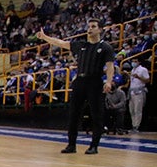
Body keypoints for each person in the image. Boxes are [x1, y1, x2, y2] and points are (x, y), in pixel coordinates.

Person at [37, 19, 116, 154]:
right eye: (88, 26)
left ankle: (94, 146)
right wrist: (45, 37)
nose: (89, 29)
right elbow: (61, 43)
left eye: (93, 26)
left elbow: (110, 66)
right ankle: (71, 145)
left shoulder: (106, 47)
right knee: (73, 114)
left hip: (95, 82)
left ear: (100, 29)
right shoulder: (81, 45)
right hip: (80, 81)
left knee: (96, 115)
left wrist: (108, 81)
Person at [128, 57, 149, 132]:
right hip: (132, 91)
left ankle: (137, 126)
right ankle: (133, 125)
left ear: (139, 62)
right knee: (132, 110)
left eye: (135, 61)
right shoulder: (132, 70)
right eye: (133, 61)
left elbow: (147, 80)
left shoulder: (143, 69)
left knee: (138, 110)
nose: (133, 63)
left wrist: (139, 77)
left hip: (139, 91)